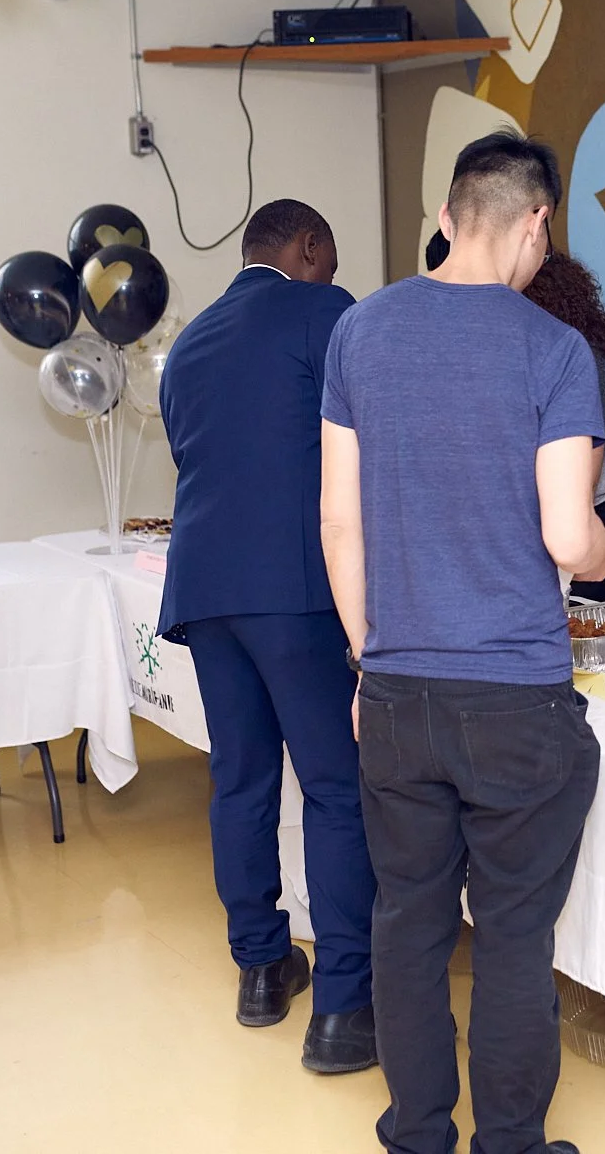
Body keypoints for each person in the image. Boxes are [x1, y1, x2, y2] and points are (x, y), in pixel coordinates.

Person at [320, 129, 605, 1154]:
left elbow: (338, 521)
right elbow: (565, 535)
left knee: (405, 923)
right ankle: (507, 1141)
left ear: (449, 217)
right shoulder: (551, 348)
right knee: (510, 938)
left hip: (398, 690)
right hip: (516, 701)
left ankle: (414, 1130)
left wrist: (368, 660)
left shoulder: (359, 331)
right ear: (536, 223)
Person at [156, 199, 378, 1073]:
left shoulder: (192, 341)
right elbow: (369, 434)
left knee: (240, 779)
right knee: (333, 785)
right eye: (331, 255)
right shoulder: (327, 310)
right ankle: (344, 1006)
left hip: (207, 588)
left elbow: (193, 455)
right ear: (312, 247)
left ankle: (258, 966)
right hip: (296, 588)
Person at [522, 249, 605, 603]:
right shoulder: (600, 354)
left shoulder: (581, 362)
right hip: (583, 519)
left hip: (589, 519)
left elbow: (585, 468)